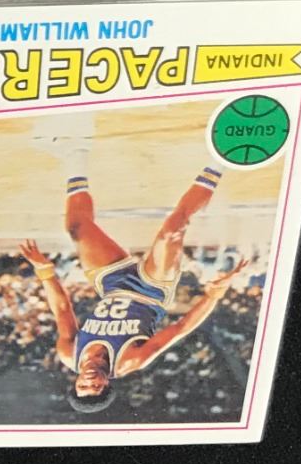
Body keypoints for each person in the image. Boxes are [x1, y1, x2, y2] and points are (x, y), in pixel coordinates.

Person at [19, 146, 249, 412]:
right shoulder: (131, 360)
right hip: (151, 290)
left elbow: (61, 308)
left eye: (83, 386)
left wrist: (45, 272)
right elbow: (181, 328)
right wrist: (213, 296)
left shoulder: (69, 353)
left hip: (112, 285)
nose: (90, 381)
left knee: (77, 227)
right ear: (107, 385)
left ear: (76, 382)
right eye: (96, 387)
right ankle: (220, 160)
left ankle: (76, 155)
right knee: (173, 230)